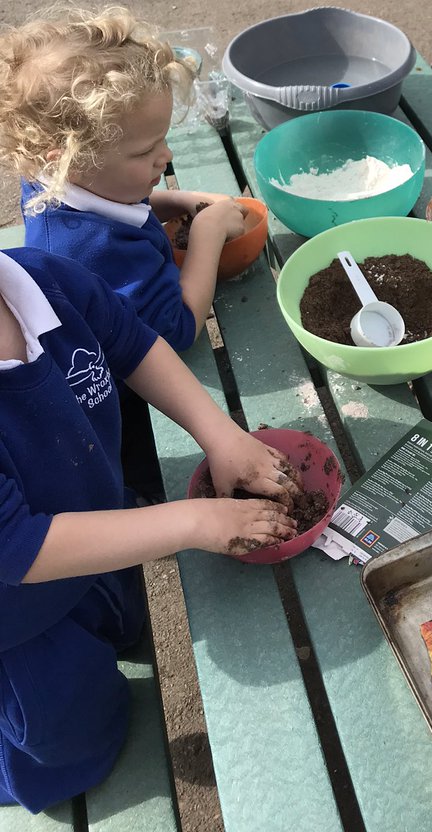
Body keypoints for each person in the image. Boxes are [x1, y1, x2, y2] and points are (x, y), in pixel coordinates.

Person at [0, 244, 298, 812]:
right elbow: (15, 546)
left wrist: (222, 435)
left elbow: (133, 342)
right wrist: (188, 521)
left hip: (98, 535)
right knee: (76, 746)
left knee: (124, 623)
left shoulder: (41, 277)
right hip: (16, 621)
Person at [0, 6, 248, 498]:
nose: (167, 156)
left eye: (163, 139)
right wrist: (207, 234)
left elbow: (113, 198)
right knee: (146, 474)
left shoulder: (52, 180)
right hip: (127, 400)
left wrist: (176, 200)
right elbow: (176, 330)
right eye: (144, 152)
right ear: (67, 157)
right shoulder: (89, 251)